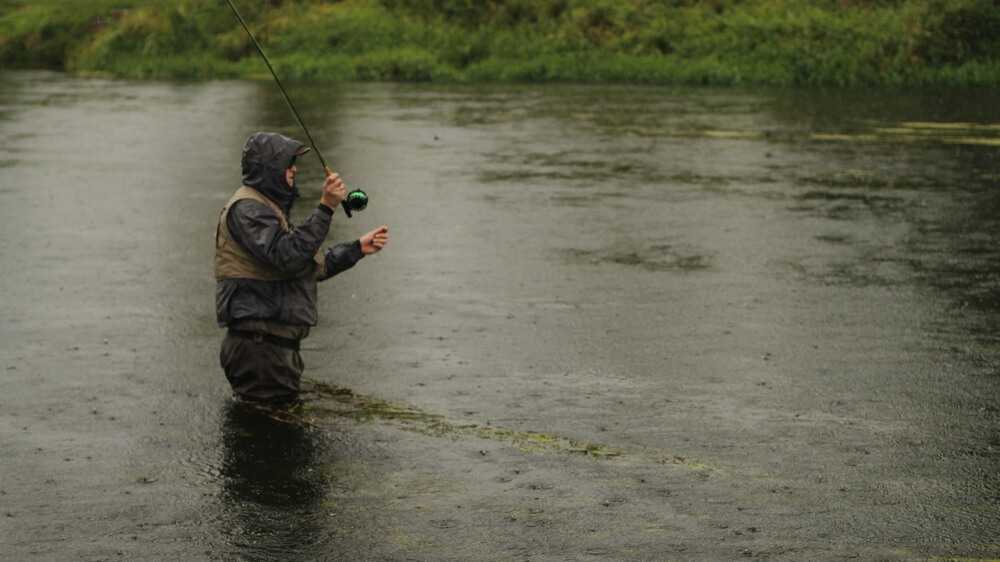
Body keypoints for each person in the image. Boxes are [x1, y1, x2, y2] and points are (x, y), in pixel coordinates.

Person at [215, 131, 388, 404]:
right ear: (270, 169)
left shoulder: (268, 210)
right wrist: (326, 206)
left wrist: (356, 249)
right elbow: (288, 256)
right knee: (272, 438)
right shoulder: (248, 209)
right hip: (260, 352)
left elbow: (306, 265)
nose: (294, 169)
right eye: (288, 164)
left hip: (270, 350)